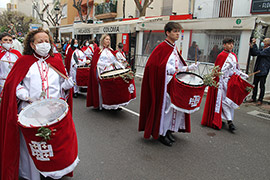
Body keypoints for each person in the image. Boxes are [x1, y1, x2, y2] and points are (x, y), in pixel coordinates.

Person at [0, 28, 76, 179]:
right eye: (40, 41)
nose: (44, 44)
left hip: (53, 111)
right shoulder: (23, 61)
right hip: (30, 110)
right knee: (32, 145)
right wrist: (22, 92)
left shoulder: (56, 60)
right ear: (32, 45)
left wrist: (66, 85)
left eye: (47, 41)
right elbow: (14, 83)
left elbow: (62, 83)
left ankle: (54, 170)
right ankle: (32, 174)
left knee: (54, 143)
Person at [138, 22, 199, 146]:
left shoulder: (173, 47)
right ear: (168, 32)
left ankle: (169, 130)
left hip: (174, 83)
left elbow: (178, 64)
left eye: (179, 31)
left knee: (174, 109)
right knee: (165, 109)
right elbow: (160, 66)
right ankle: (161, 133)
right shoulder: (162, 47)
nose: (178, 34)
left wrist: (189, 68)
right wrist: (183, 70)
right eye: (175, 31)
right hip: (165, 84)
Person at [201, 38, 249, 132]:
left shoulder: (234, 55)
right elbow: (219, 72)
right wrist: (228, 66)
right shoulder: (221, 56)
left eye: (232, 44)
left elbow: (235, 69)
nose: (231, 46)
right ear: (224, 45)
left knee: (230, 101)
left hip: (231, 83)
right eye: (229, 44)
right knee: (224, 102)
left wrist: (242, 74)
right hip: (222, 83)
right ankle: (230, 122)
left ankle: (227, 119)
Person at [86, 34, 127, 110]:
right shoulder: (98, 51)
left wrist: (121, 66)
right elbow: (97, 63)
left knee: (114, 88)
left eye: (109, 39)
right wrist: (107, 65)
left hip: (112, 71)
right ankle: (102, 104)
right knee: (102, 89)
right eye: (106, 39)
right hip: (102, 71)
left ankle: (114, 105)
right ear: (103, 40)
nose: (108, 41)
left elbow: (115, 60)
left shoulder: (111, 50)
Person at [248, 38, 270, 106]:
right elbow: (254, 53)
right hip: (257, 69)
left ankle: (260, 99)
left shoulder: (268, 50)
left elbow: (258, 53)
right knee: (255, 84)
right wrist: (252, 46)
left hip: (263, 70)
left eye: (264, 41)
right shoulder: (262, 49)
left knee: (262, 86)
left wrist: (254, 44)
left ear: (267, 43)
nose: (263, 42)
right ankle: (253, 97)